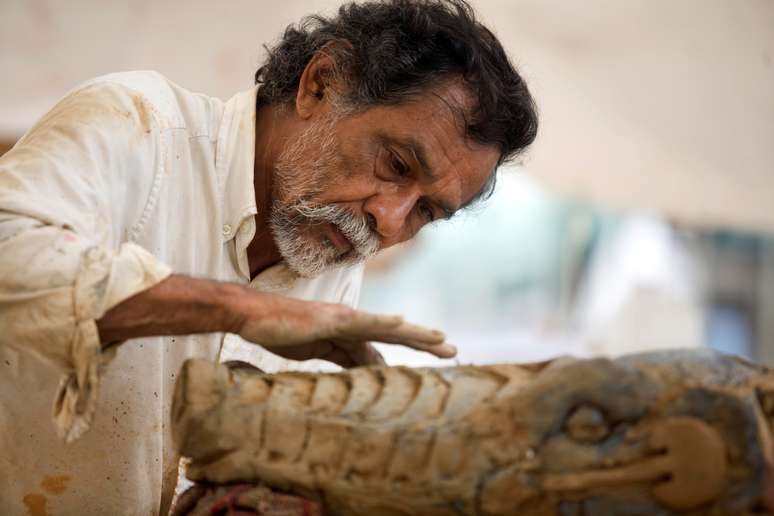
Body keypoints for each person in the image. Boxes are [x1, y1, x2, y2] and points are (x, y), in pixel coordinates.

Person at [0, 0, 537, 513]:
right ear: (320, 85)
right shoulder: (139, 124)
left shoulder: (333, 254)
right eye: (396, 165)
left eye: (426, 212)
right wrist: (238, 309)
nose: (391, 220)